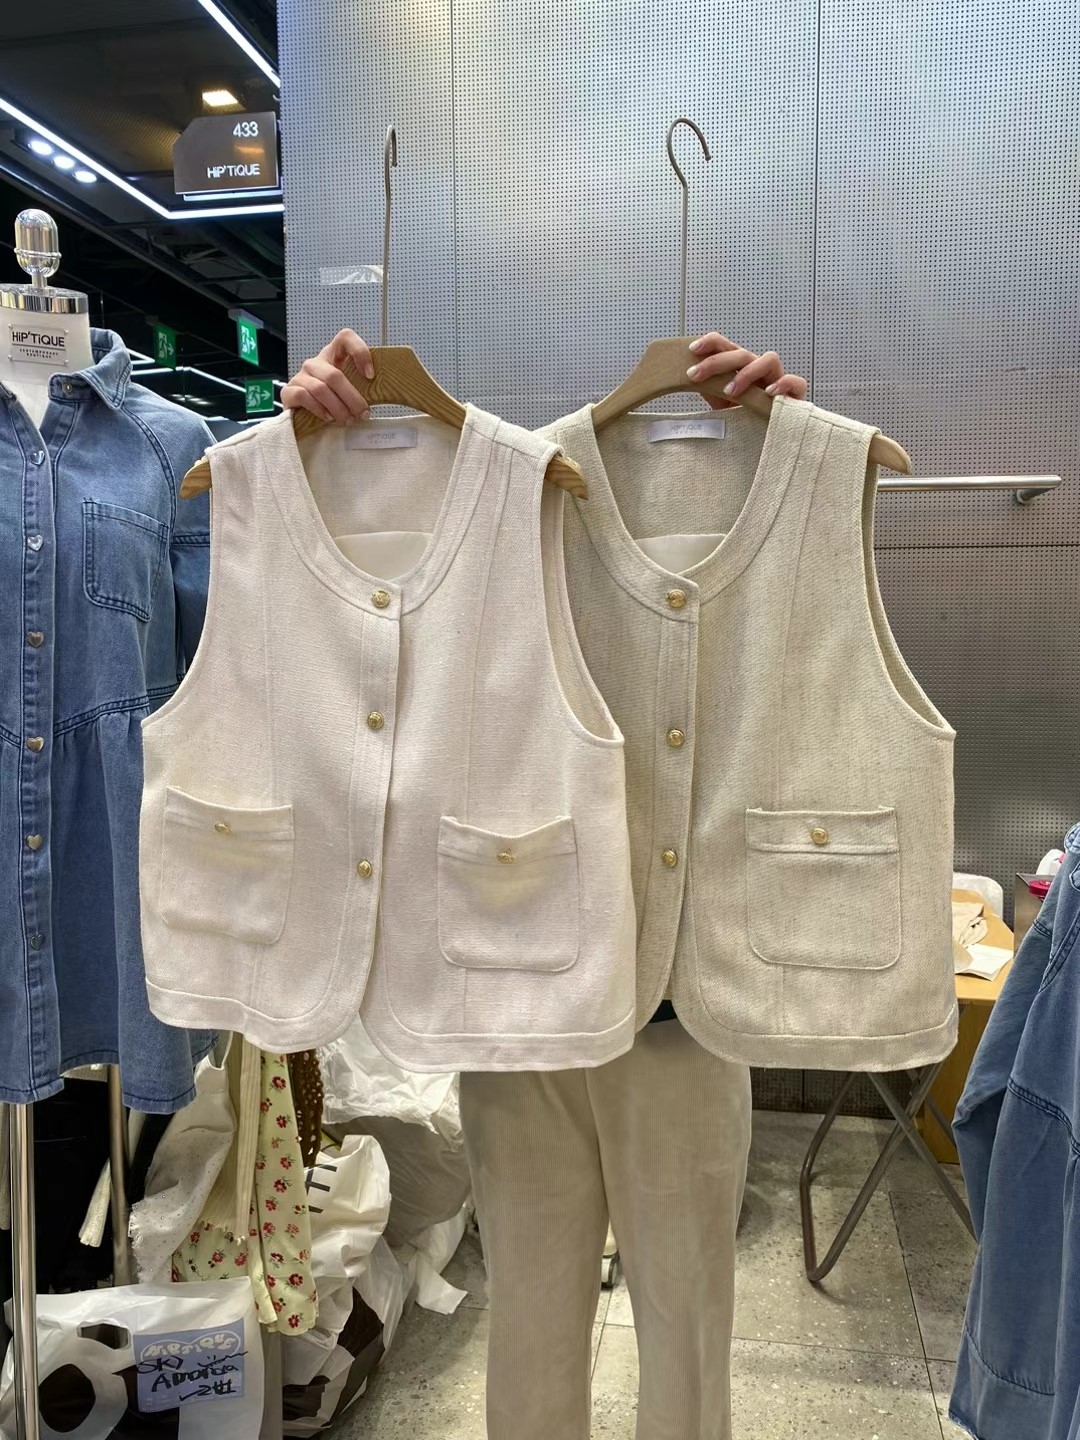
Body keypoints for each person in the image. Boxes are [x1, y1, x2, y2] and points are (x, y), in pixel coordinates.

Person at [281, 333, 809, 1440]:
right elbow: (360, 632)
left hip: (684, 1001)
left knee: (689, 1326)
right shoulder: (505, 488)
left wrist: (788, 463)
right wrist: (318, 458)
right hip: (518, 988)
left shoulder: (773, 483)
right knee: (530, 1316)